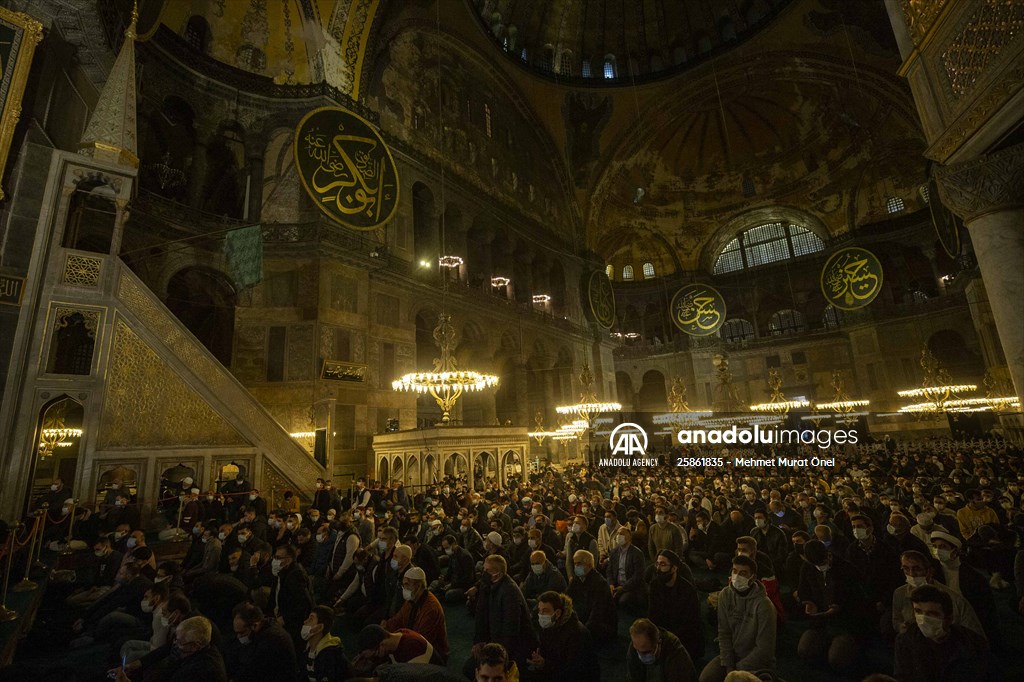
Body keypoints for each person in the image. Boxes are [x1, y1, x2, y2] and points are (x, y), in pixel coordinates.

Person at [893, 584, 995, 681]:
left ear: (949, 619)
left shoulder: (972, 643)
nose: (923, 619)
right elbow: (902, 677)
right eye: (918, 611)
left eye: (932, 613)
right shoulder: (905, 642)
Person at [700, 555, 776, 682]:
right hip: (734, 657)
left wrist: (737, 671)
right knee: (706, 678)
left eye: (743, 573)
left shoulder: (764, 605)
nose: (737, 576)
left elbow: (764, 650)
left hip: (757, 662)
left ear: (753, 578)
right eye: (735, 571)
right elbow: (724, 633)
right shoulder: (725, 595)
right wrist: (728, 664)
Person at [796, 539, 863, 671]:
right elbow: (803, 590)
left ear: (828, 555)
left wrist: (838, 607)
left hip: (845, 622)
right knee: (804, 651)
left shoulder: (847, 569)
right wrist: (808, 602)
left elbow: (858, 600)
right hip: (820, 621)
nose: (820, 567)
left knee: (837, 660)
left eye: (822, 563)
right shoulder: (808, 567)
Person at [892, 550, 985, 639]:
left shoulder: (954, 600)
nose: (911, 574)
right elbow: (896, 620)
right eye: (906, 569)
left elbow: (975, 636)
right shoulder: (900, 593)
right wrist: (901, 627)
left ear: (930, 571)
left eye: (917, 569)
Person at [468, 555, 537, 672]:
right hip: (495, 638)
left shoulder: (509, 593)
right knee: (470, 667)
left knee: (473, 669)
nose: (483, 573)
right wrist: (478, 640)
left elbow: (511, 630)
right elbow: (481, 614)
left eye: (487, 571)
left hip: (515, 646)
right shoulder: (489, 584)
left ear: (498, 574)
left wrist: (496, 656)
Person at [113, 616, 226, 682]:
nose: (175, 643)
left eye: (179, 642)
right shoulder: (193, 646)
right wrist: (136, 664)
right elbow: (166, 648)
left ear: (195, 646)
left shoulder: (203, 669)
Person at [524, 591, 599, 681]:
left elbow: (573, 671)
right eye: (540, 610)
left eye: (545, 611)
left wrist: (545, 664)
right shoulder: (549, 625)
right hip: (555, 671)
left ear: (558, 613)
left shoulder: (576, 634)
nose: (541, 615)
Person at [384, 566, 449, 664]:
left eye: (407, 584)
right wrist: (384, 632)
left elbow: (421, 642)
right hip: (414, 642)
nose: (404, 588)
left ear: (418, 586)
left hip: (431, 653)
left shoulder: (431, 608)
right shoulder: (411, 600)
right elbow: (397, 620)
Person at [648, 549, 702, 664]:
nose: (658, 568)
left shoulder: (688, 590)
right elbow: (653, 615)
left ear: (674, 568)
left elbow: (690, 624)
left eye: (663, 564)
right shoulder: (655, 585)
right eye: (657, 564)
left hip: (683, 636)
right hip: (662, 633)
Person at [225, 602, 297, 682]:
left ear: (255, 625)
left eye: (242, 633)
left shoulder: (272, 640)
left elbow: (253, 670)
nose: (239, 637)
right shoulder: (263, 631)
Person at [566, 549, 616, 644]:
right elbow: (566, 598)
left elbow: (597, 613)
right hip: (586, 618)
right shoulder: (577, 579)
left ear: (589, 564)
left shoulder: (600, 583)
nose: (576, 566)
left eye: (579, 563)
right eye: (575, 563)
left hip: (602, 625)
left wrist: (581, 630)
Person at [626, 617, 697, 682]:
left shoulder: (676, 653)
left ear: (658, 643)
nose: (640, 656)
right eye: (638, 651)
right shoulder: (635, 647)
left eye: (646, 652)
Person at [272, 542, 314, 647]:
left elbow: (304, 603)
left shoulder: (295, 575)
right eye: (275, 557)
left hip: (293, 624)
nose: (275, 561)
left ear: (289, 559)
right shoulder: (283, 571)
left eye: (278, 558)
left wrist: (284, 618)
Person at [301, 605, 351, 682]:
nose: (305, 622)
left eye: (311, 619)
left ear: (320, 627)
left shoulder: (330, 655)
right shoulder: (308, 650)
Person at [606, 525, 647, 613]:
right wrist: (611, 584)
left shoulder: (637, 553)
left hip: (631, 586)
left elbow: (638, 576)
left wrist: (623, 588)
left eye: (621, 534)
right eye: (617, 534)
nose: (618, 536)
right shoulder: (614, 551)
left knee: (623, 601)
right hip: (616, 585)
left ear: (629, 537)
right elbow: (609, 570)